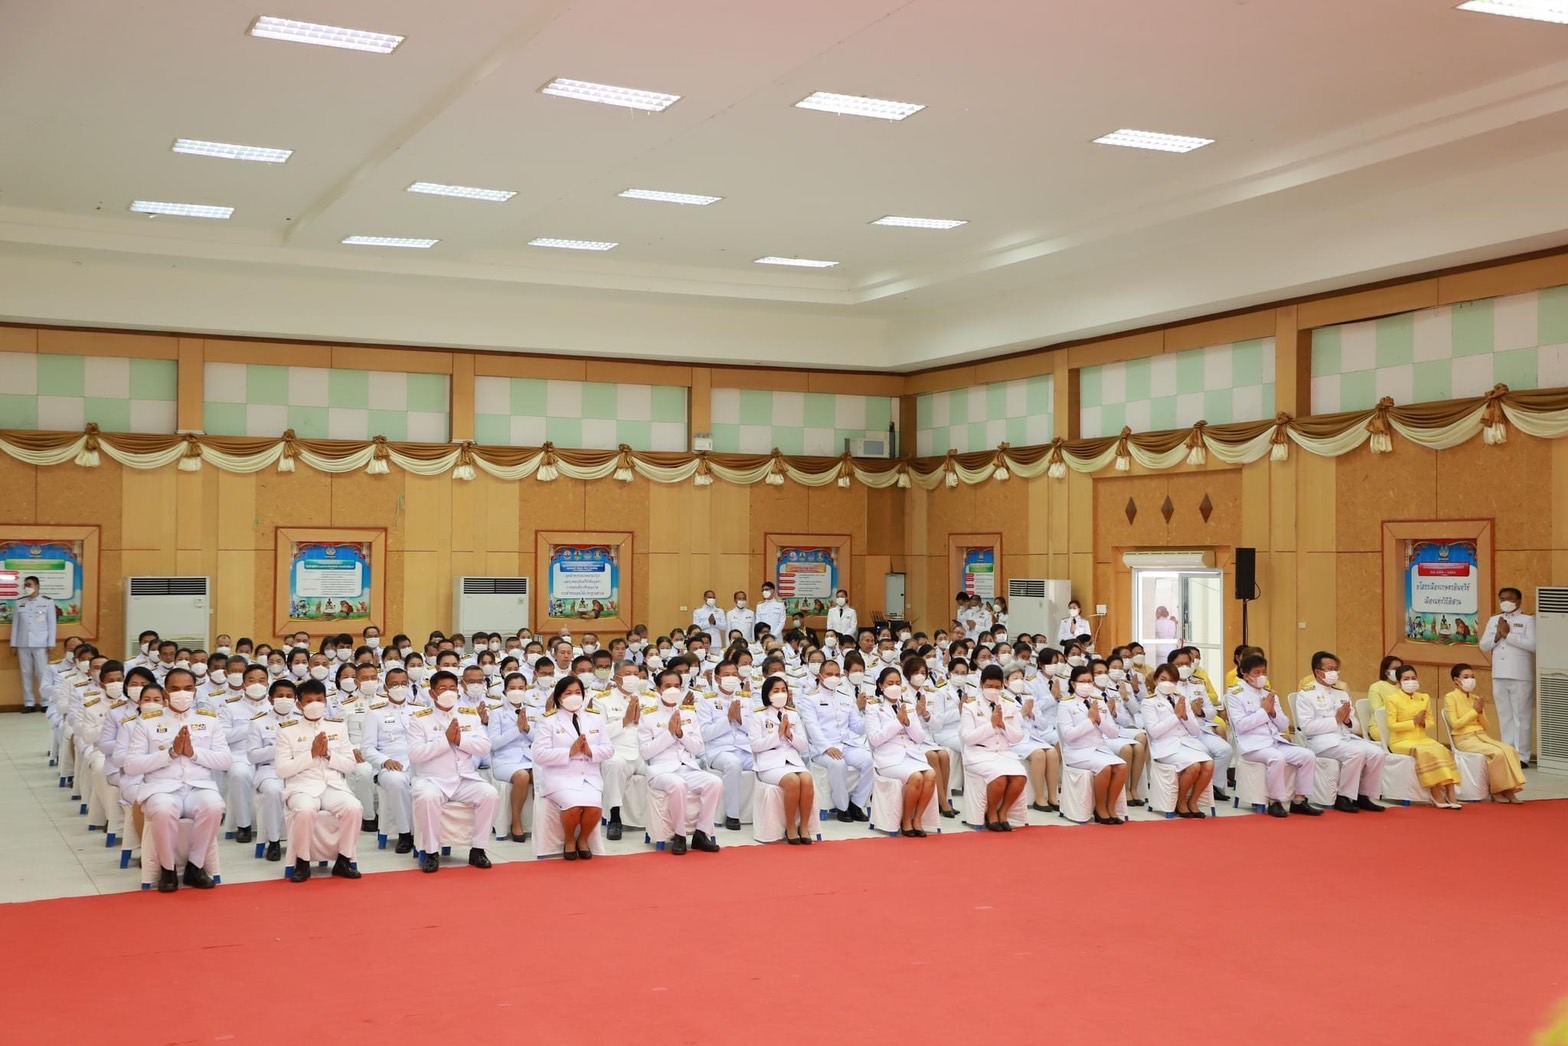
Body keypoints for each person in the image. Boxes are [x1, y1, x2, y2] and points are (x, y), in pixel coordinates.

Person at [122, 670, 232, 892]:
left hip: (198, 786)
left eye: (187, 688)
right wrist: (169, 754)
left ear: (195, 691)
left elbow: (225, 760)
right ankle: (168, 869)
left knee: (214, 806)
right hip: (161, 788)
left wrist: (193, 753)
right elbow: (131, 766)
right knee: (163, 810)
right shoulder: (147, 723)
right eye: (175, 689)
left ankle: (195, 866)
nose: (182, 693)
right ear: (165, 693)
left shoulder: (208, 720)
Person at [407, 670, 499, 872]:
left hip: (463, 778)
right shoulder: (419, 719)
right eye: (442, 688)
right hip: (432, 779)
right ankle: (431, 852)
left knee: (490, 794)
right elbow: (415, 754)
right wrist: (445, 740)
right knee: (427, 798)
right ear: (432, 693)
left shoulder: (469, 714)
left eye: (452, 688)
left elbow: (484, 746)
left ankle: (478, 850)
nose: (448, 692)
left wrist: (460, 740)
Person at [275, 680, 363, 882]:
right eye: (309, 701)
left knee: (354, 808)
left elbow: (350, 765)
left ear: (326, 701)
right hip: (302, 788)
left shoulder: (338, 727)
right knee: (304, 810)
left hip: (333, 786)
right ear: (299, 705)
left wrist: (329, 754)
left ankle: (344, 859)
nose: (315, 704)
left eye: (319, 700)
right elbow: (282, 770)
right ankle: (303, 862)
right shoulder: (287, 730)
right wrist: (311, 754)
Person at [637, 668, 723, 854]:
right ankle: (680, 835)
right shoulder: (648, 715)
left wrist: (680, 734)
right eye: (668, 686)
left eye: (677, 686)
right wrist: (669, 734)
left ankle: (701, 833)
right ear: (658, 689)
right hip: (661, 771)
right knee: (678, 785)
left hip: (687, 766)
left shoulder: (689, 714)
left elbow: (699, 748)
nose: (673, 690)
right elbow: (646, 752)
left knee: (715, 782)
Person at [1226, 654, 1321, 819]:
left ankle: (1299, 800)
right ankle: (1275, 801)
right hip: (1252, 745)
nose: (1261, 676)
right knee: (1277, 758)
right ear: (1245, 674)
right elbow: (1241, 725)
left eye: (1264, 672)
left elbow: (1284, 725)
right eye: (1257, 673)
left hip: (1274, 741)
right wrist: (1263, 711)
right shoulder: (1235, 694)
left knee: (1308, 756)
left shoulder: (1270, 695)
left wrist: (1273, 712)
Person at [531, 675, 613, 861]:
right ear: (559, 697)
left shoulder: (595, 718)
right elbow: (539, 755)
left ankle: (582, 840)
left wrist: (591, 751)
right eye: (568, 693)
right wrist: (569, 752)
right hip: (560, 777)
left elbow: (609, 749)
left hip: (589, 776)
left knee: (594, 808)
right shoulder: (548, 721)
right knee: (573, 807)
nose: (574, 696)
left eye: (577, 692)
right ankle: (569, 840)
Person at [1294, 652, 1387, 813]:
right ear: (1318, 672)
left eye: (1336, 669)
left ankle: (1364, 795)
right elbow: (1307, 727)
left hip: (1345, 737)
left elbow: (1356, 726)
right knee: (1356, 753)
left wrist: (1347, 721)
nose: (1334, 673)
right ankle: (1343, 797)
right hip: (1321, 741)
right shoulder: (1306, 695)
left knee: (1377, 753)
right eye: (1330, 669)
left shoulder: (1341, 694)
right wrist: (1336, 719)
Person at [801, 654, 874, 823]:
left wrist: (866, 713)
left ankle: (857, 804)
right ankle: (842, 807)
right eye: (829, 674)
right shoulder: (810, 699)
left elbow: (856, 726)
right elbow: (812, 728)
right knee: (838, 764)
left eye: (836, 674)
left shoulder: (846, 698)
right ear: (820, 676)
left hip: (846, 744)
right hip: (821, 748)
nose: (833, 678)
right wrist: (827, 747)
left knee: (869, 760)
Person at [866, 668, 937, 837]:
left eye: (898, 683)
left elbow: (919, 737)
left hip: (911, 755)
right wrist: (898, 722)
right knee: (916, 777)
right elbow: (875, 739)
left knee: (931, 774)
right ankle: (906, 820)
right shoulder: (874, 708)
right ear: (881, 686)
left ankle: (917, 819)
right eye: (890, 683)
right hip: (888, 758)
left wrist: (908, 723)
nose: (894, 686)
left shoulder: (909, 706)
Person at [1443, 663, 1525, 803]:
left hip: (1481, 736)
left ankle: (1510, 789)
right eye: (1466, 677)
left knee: (1510, 750)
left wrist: (1480, 711)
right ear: (1456, 680)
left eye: (1472, 676)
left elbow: (1486, 725)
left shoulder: (1475, 698)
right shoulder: (1450, 697)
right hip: (1464, 739)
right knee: (1497, 753)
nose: (1470, 680)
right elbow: (1455, 724)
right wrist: (1474, 711)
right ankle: (1498, 790)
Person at [749, 675, 815, 844]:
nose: (780, 694)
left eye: (783, 690)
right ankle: (791, 826)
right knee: (792, 781)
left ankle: (805, 827)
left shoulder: (793, 715)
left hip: (792, 761)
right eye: (776, 691)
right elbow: (755, 745)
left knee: (807, 779)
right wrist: (778, 736)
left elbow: (804, 746)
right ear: (767, 694)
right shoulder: (758, 716)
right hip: (769, 764)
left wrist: (789, 735)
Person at [1057, 666, 1128, 824]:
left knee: (1121, 766)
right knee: (1106, 767)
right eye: (1082, 681)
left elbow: (1113, 733)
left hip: (1099, 749)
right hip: (1077, 751)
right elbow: (1068, 736)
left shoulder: (1099, 702)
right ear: (1073, 684)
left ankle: (1111, 807)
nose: (1087, 685)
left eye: (1089, 681)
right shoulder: (1065, 705)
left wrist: (1099, 720)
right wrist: (1090, 721)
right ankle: (1100, 808)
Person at [1385, 665, 1462, 808]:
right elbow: (1392, 726)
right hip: (1401, 740)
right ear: (1399, 682)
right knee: (1425, 752)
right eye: (1406, 679)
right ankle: (1435, 791)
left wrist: (1423, 722)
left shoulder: (1424, 697)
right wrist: (1414, 722)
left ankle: (1450, 789)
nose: (1411, 681)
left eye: (1413, 678)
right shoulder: (1392, 699)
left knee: (1442, 749)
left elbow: (1431, 722)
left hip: (1422, 737)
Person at [961, 666, 1027, 831]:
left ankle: (1003, 811)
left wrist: (1003, 725)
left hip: (1003, 752)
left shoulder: (1009, 705)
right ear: (981, 684)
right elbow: (968, 738)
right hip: (978, 752)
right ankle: (991, 813)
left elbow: (1018, 736)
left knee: (1020, 777)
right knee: (999, 778)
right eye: (989, 686)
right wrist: (991, 725)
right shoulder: (970, 706)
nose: (993, 690)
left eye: (997, 687)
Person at [362, 667, 418, 853]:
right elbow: (367, 748)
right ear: (386, 688)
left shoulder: (420, 711)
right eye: (394, 684)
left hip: (418, 764)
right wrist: (385, 761)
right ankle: (405, 834)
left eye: (403, 684)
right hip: (389, 766)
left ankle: (428, 832)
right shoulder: (374, 713)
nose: (399, 687)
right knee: (396, 782)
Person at [1479, 587, 1536, 767]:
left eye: (1509, 598)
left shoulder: (1527, 620)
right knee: (1505, 715)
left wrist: (1507, 634)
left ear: (1518, 601)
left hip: (1520, 674)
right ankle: (1508, 751)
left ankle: (1522, 755)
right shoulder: (1494, 619)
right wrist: (1497, 634)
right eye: (1502, 598)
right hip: (1499, 673)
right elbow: (1484, 646)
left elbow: (1533, 645)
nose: (1505, 601)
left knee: (1521, 715)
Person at [695, 659, 754, 831]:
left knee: (768, 760)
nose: (731, 678)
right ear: (717, 678)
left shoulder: (747, 700)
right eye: (726, 675)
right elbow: (705, 734)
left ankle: (764, 811)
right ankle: (732, 815)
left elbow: (754, 730)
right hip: (719, 750)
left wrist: (740, 719)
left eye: (734, 675)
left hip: (744, 748)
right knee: (733, 764)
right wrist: (727, 719)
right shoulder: (706, 701)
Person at [489, 672, 536, 841]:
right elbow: (494, 744)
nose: (517, 691)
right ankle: (516, 822)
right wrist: (517, 730)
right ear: (505, 690)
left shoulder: (535, 711)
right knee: (522, 776)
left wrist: (527, 729)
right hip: (505, 760)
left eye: (521, 688)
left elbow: (541, 740)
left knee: (540, 775)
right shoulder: (496, 713)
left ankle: (539, 823)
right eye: (512, 688)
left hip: (530, 758)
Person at [11, 575, 56, 713]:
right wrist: (13, 643)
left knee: (42, 673)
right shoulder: (20, 602)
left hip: (41, 643)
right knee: (26, 673)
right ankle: (29, 703)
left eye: (29, 585)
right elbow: (15, 625)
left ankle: (45, 702)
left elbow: (52, 624)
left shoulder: (47, 602)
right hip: (23, 643)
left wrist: (51, 643)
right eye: (25, 585)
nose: (27, 588)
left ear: (37, 586)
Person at [1366, 655, 1404, 742]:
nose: (1399, 671)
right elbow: (1377, 711)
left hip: (1400, 726)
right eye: (1395, 668)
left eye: (1401, 668)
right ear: (1386, 672)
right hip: (1380, 726)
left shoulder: (1403, 687)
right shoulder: (1376, 687)